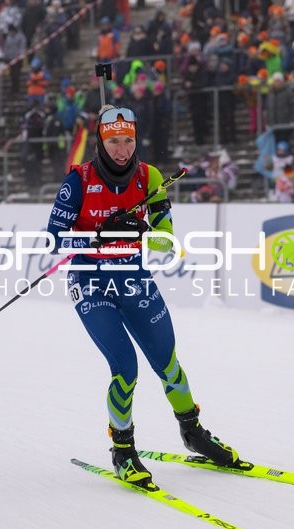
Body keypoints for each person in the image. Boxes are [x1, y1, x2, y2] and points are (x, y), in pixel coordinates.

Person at [45, 105, 239, 486]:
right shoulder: (78, 180)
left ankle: (193, 432)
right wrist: (98, 234)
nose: (122, 149)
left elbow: (166, 237)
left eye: (128, 140)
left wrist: (144, 231)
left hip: (133, 277)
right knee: (126, 369)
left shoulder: (148, 176)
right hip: (91, 281)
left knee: (168, 362)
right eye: (114, 141)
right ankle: (122, 449)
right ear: (102, 140)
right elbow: (54, 236)